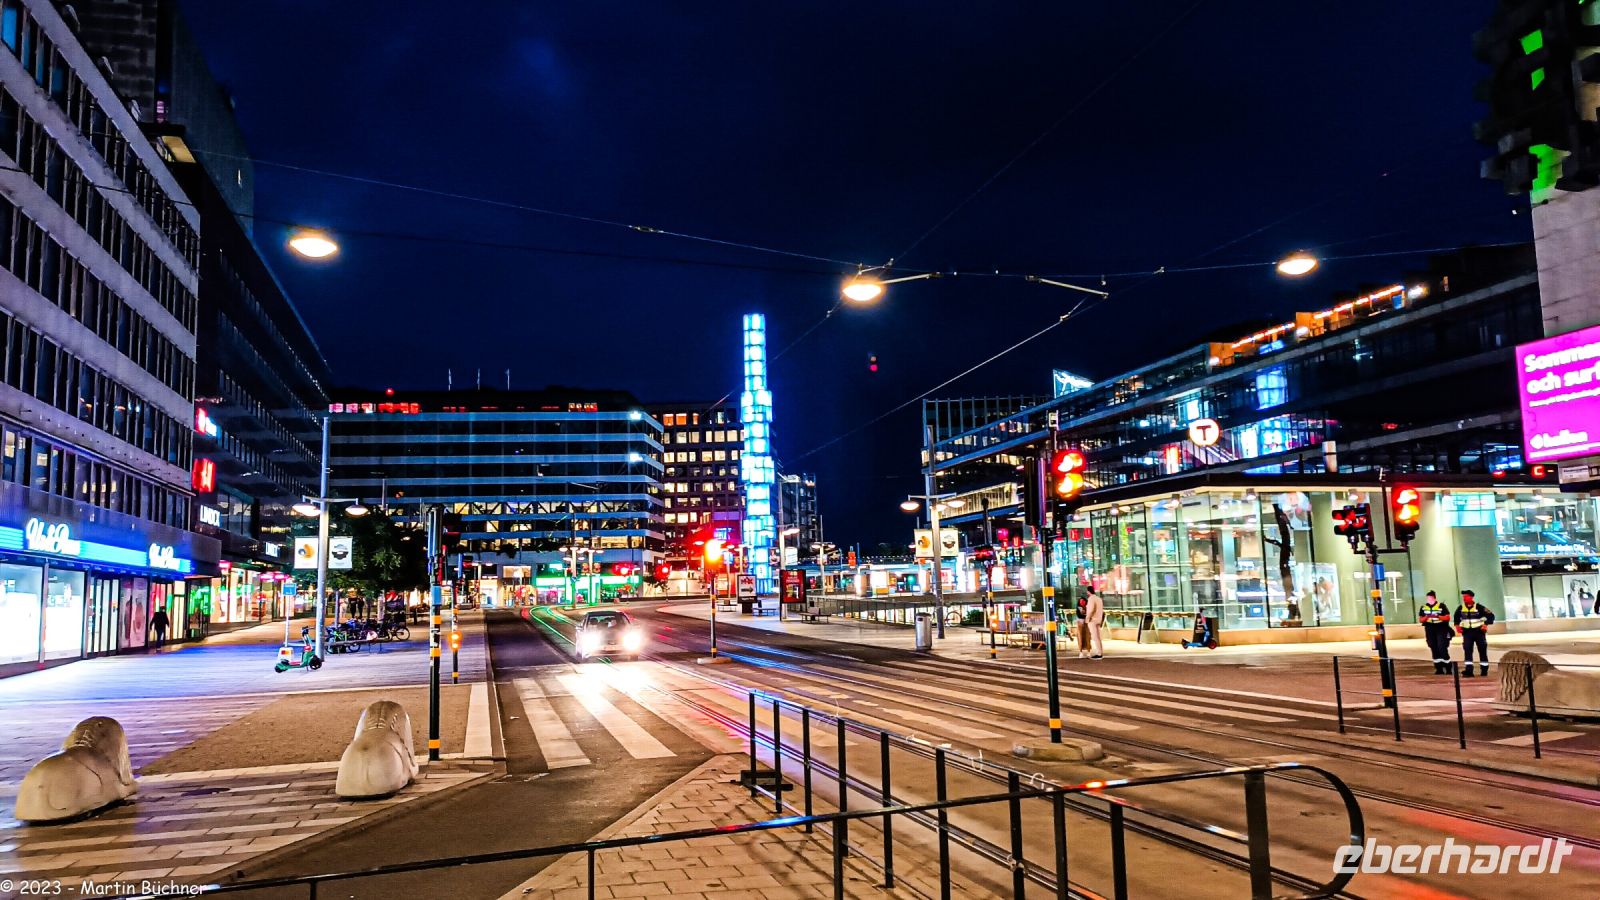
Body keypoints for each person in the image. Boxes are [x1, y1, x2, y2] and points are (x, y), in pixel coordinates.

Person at [1454, 590, 1495, 677]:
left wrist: (1486, 624)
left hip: (1479, 632)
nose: (1464, 598)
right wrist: (1457, 626)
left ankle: (1484, 670)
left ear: (1471, 597)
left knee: (1482, 650)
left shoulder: (1479, 607)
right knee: (1467, 649)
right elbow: (1456, 618)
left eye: (1466, 596)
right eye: (1463, 597)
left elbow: (1491, 616)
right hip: (1467, 632)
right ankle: (1469, 670)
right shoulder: (1460, 608)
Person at [1418, 591, 1453, 674]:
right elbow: (1420, 619)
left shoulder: (1441, 606)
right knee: (1433, 647)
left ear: (1434, 598)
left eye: (1430, 598)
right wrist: (1427, 617)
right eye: (1428, 598)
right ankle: (1439, 668)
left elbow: (1447, 617)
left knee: (1442, 647)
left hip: (1441, 628)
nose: (1429, 600)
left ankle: (1448, 667)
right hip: (1430, 628)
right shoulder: (1423, 607)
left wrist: (1438, 616)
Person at [1081, 588, 1105, 660]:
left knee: (1095, 636)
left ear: (1088, 591)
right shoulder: (1099, 599)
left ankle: (1098, 653)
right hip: (1098, 619)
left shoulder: (1091, 599)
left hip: (1093, 620)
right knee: (1098, 637)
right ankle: (1100, 652)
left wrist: (1087, 618)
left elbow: (1091, 609)